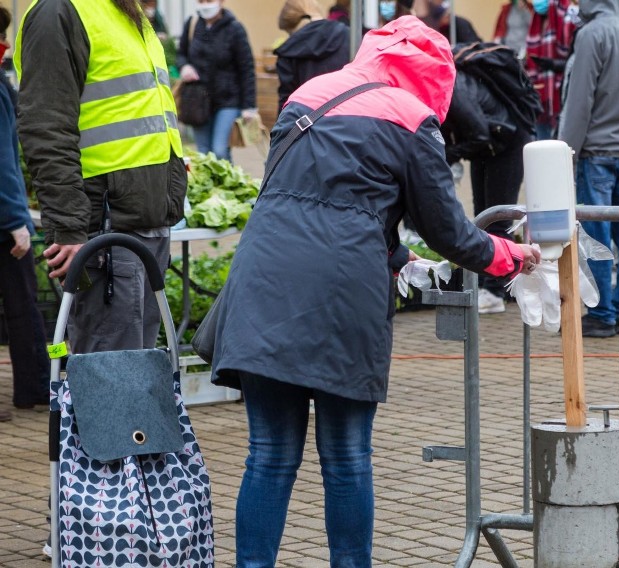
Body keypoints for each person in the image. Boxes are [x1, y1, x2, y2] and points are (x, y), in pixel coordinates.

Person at [209, 16, 540, 567]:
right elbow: (450, 233)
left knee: (266, 457)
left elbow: (307, 200)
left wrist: (394, 254)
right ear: (436, 76)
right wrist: (511, 256)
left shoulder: (309, 94)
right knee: (345, 460)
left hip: (262, 283)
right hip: (342, 298)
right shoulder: (412, 119)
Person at [15, 0, 188, 354]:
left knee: (137, 374)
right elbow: (46, 129)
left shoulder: (126, 11)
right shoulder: (58, 11)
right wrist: (69, 228)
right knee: (111, 380)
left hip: (145, 223)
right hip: (106, 229)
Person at [557, 0, 619, 338]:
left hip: (596, 151)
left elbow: (579, 103)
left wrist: (564, 154)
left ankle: (602, 313)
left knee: (596, 238)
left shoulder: (591, 34)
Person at [441, 54, 535, 314]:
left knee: (497, 218)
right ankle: (493, 283)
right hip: (487, 149)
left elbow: (479, 132)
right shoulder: (444, 84)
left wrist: (450, 154)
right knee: (483, 216)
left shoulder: (453, 88)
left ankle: (493, 292)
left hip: (507, 145)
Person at [0, 7, 50, 422]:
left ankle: (32, 388)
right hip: (2, 221)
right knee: (22, 303)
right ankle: (33, 388)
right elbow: (3, 161)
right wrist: (17, 218)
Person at [177, 0, 258, 162]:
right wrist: (184, 66)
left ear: (221, 2)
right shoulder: (192, 24)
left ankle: (229, 186)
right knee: (203, 153)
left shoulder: (234, 29)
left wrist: (249, 106)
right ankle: (209, 187)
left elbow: (247, 69)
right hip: (198, 100)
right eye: (201, 1)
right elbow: (181, 54)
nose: (206, 5)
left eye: (210, 1)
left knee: (220, 150)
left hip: (228, 100)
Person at [276, 0, 350, 109]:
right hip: (348, 115)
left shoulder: (288, 51)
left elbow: (286, 103)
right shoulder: (349, 36)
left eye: (290, 33)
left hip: (306, 120)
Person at [525, 0, 578, 139]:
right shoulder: (536, 19)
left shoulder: (571, 15)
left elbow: (580, 57)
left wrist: (556, 64)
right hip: (540, 97)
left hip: (562, 95)